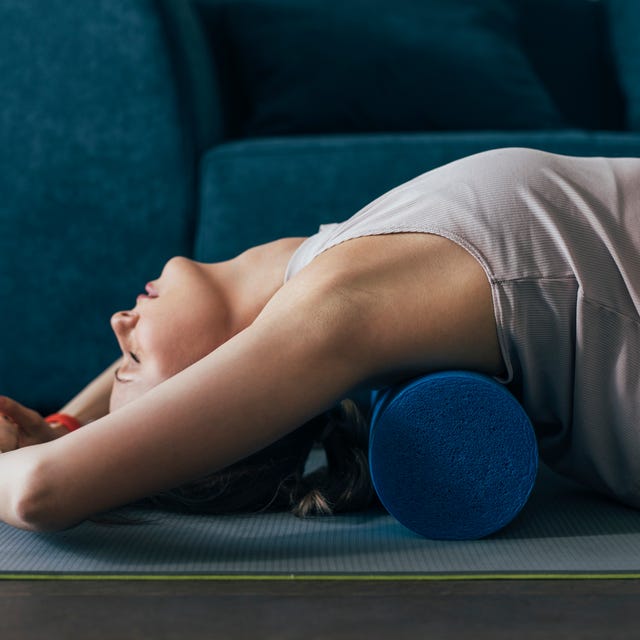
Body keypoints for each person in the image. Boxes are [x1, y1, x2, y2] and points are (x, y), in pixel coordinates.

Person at [1, 146, 639, 532]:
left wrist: (62, 425)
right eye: (134, 363)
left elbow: (69, 451)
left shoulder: (327, 259)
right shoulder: (340, 308)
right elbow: (40, 492)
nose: (119, 327)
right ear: (231, 380)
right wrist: (61, 450)